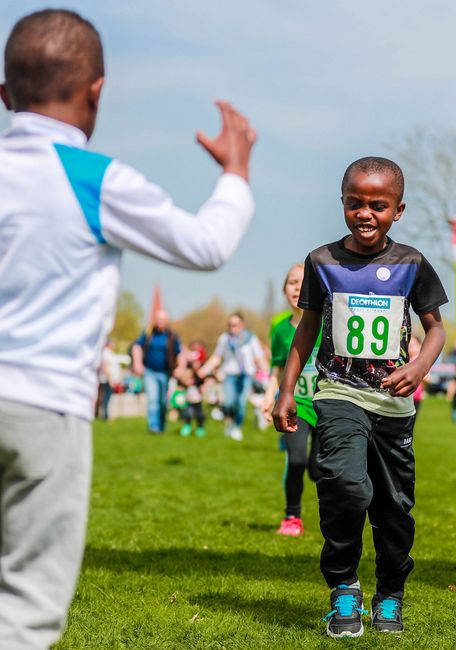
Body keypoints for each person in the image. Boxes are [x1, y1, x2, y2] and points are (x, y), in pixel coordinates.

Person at [0, 9, 256, 649]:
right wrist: (236, 173)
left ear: (5, 94)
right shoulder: (94, 179)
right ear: (97, 91)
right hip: (43, 406)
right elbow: (205, 245)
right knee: (25, 610)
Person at [273, 157, 447, 637]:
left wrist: (417, 367)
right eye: (355, 204)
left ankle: (390, 594)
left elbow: (435, 329)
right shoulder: (322, 262)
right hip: (338, 393)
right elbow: (306, 328)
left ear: (398, 210)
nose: (365, 214)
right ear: (343, 204)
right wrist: (286, 391)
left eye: (378, 205)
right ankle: (344, 587)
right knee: (346, 484)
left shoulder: (411, 263)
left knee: (393, 508)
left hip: (394, 404)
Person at [262, 263, 322, 536]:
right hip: (296, 405)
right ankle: (292, 517)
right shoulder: (280, 330)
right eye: (292, 283)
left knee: (318, 469)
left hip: (327, 404)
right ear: (285, 290)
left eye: (303, 282)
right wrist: (269, 394)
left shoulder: (327, 323)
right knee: (296, 461)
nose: (297, 287)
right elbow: (277, 366)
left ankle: (333, 518)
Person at [200, 313, 266, 441]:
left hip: (246, 375)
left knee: (241, 402)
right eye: (230, 325)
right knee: (229, 401)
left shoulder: (250, 338)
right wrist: (204, 369)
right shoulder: (224, 339)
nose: (232, 328)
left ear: (242, 325)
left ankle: (236, 427)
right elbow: (217, 357)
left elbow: (259, 358)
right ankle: (229, 423)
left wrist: (269, 374)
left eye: (235, 325)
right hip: (230, 375)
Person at [131, 309, 181, 434]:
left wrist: (180, 368)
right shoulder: (148, 333)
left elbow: (179, 352)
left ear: (166, 321)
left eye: (162, 320)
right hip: (150, 372)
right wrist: (137, 363)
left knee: (163, 401)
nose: (160, 323)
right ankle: (153, 427)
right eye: (158, 320)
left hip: (165, 372)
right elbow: (136, 346)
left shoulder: (172, 335)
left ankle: (161, 425)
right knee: (153, 400)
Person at [96, 339, 121, 420]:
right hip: (107, 379)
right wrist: (110, 379)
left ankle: (105, 415)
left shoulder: (109, 353)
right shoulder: (105, 353)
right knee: (106, 397)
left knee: (107, 397)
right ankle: (105, 416)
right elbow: (105, 367)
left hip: (110, 379)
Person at [178, 366, 206, 438]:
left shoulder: (197, 384)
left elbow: (202, 386)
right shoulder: (184, 387)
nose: (189, 381)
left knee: (199, 415)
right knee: (187, 414)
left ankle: (200, 428)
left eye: (191, 379)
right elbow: (179, 393)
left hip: (197, 402)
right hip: (188, 402)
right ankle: (187, 426)